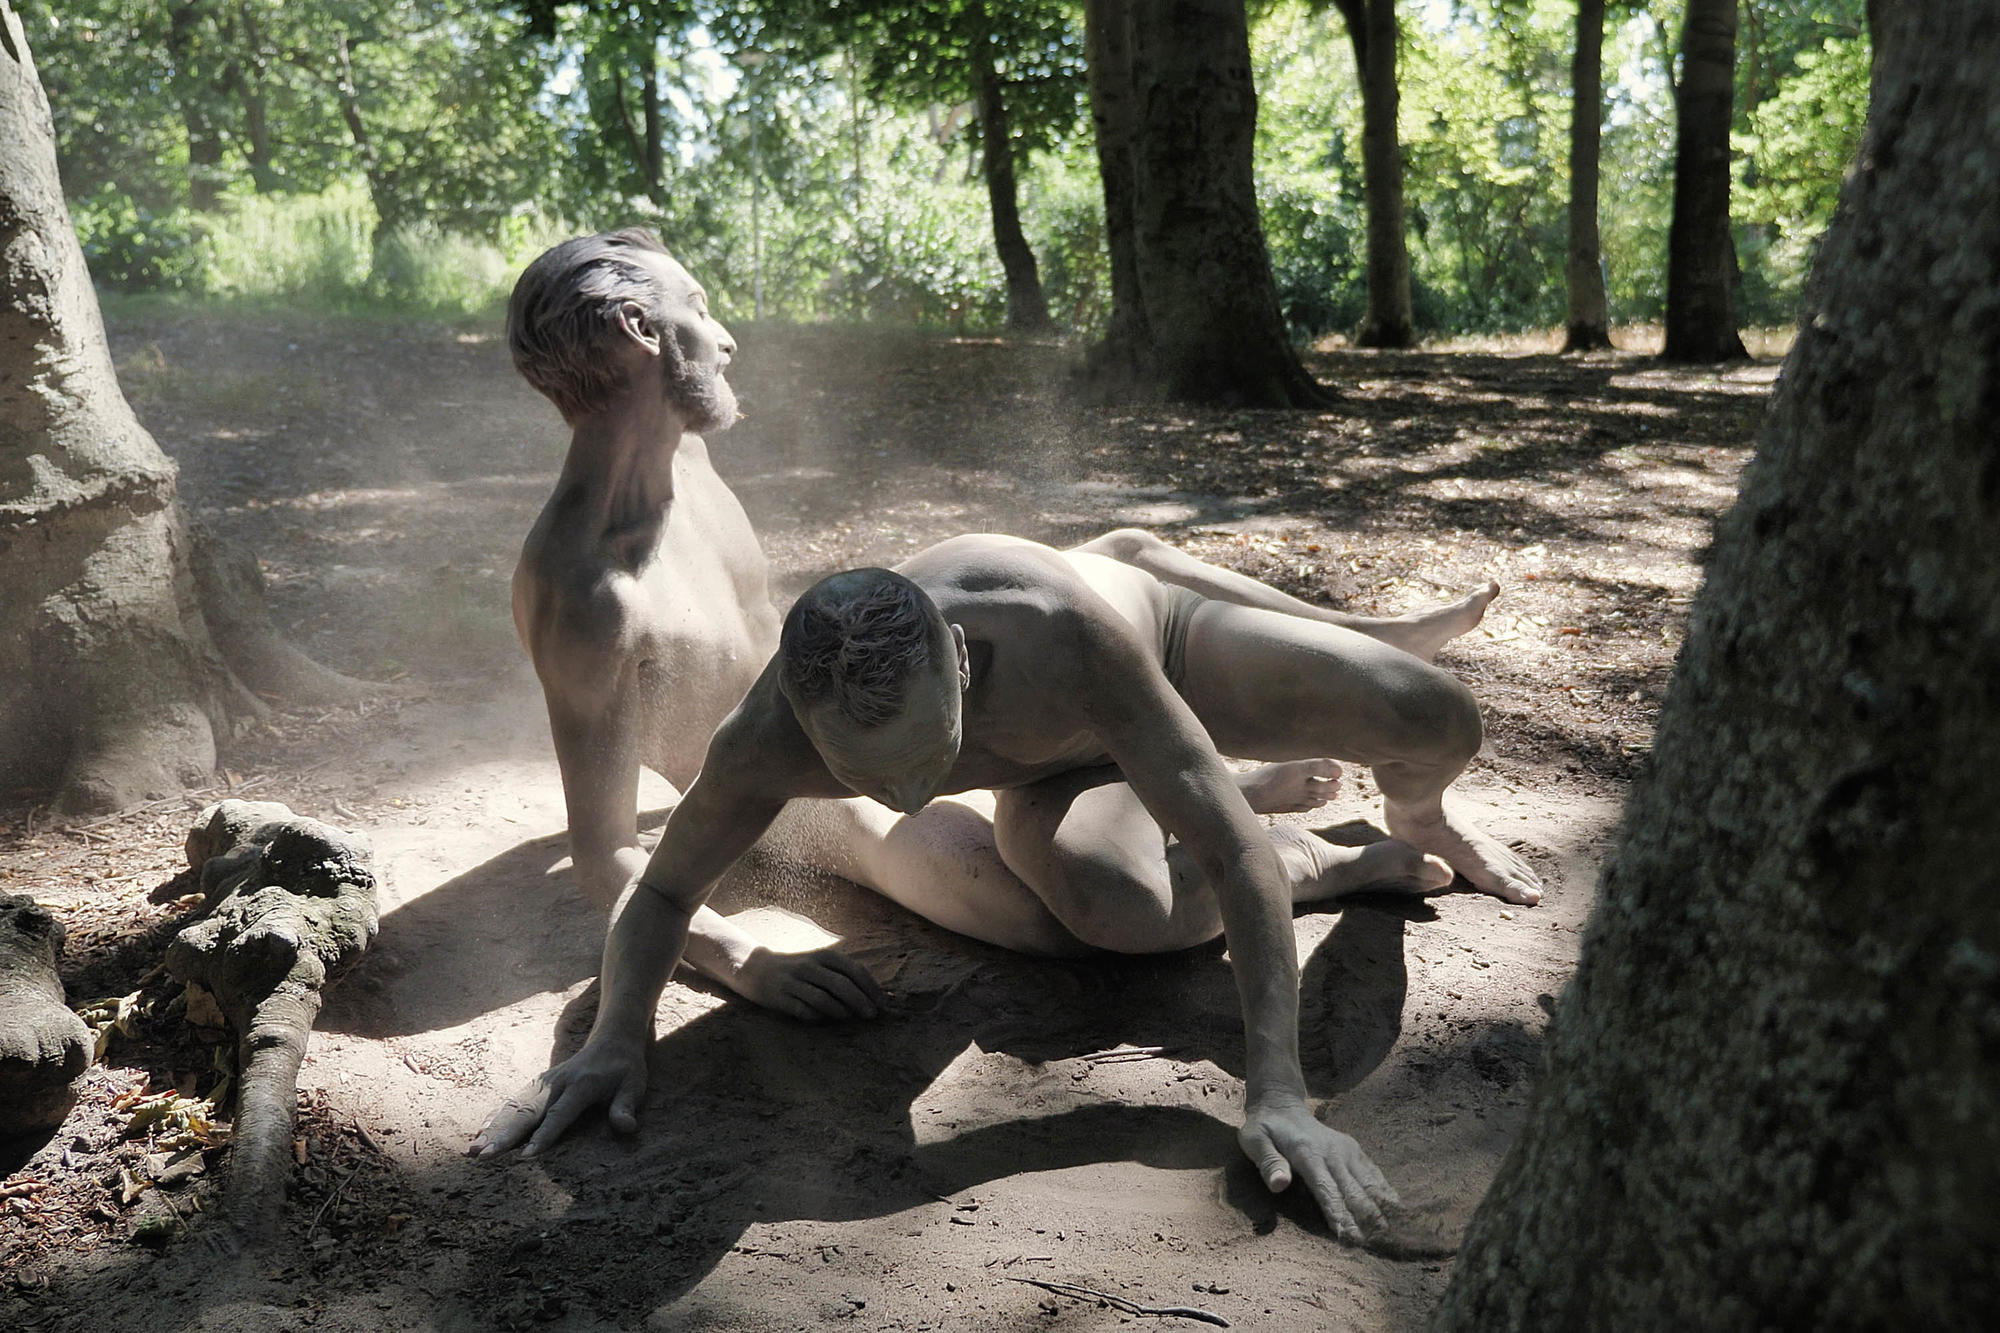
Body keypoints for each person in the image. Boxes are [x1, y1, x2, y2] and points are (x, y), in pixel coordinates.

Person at [474, 521, 1543, 1243]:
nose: (907, 796)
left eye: (928, 764)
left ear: (960, 653)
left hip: (1155, 647)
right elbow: (658, 889)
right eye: (870, 778)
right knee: (1116, 912)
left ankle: (1397, 811)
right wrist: (619, 1031)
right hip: (1059, 771)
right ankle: (1319, 856)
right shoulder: (766, 734)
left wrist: (1276, 1095)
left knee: (1435, 714)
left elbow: (1229, 851)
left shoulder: (1051, 633)